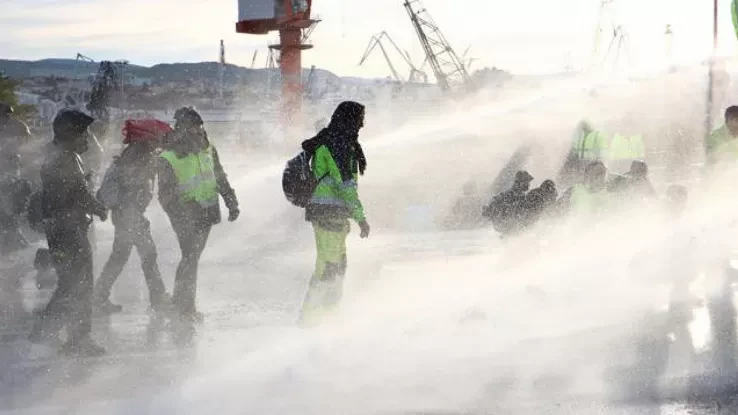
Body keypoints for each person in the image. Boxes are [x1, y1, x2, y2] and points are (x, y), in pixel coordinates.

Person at [29, 109, 108, 357]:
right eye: (83, 133)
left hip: (62, 230)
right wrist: (99, 208)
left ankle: (49, 331)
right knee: (80, 285)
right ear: (69, 134)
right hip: (69, 231)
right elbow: (79, 194)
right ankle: (77, 339)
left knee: (70, 284)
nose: (87, 139)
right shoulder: (65, 159)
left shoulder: (61, 156)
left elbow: (71, 189)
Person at [158, 107, 239, 323]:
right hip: (185, 216)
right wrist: (182, 213)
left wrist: (231, 201)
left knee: (191, 258)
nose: (199, 131)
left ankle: (181, 303)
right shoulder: (168, 156)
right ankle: (185, 308)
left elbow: (219, 176)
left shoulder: (208, 148)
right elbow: (165, 195)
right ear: (181, 128)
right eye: (193, 127)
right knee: (190, 257)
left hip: (207, 211)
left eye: (200, 126)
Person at [299, 101, 371, 325]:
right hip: (327, 214)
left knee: (338, 267)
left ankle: (329, 320)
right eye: (360, 119)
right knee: (328, 269)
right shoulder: (337, 145)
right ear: (350, 119)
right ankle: (308, 322)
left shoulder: (341, 142)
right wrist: (361, 218)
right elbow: (345, 186)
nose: (362, 124)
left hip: (334, 215)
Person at [93, 119, 173, 315]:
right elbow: (132, 183)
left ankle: (99, 297)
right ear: (148, 138)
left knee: (120, 257)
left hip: (126, 213)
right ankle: (158, 299)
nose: (160, 141)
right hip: (129, 214)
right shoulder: (139, 155)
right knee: (148, 255)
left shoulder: (137, 153)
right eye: (157, 138)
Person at [482, 170, 533, 237]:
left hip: (509, 229)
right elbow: (516, 214)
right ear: (521, 183)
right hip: (511, 230)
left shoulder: (511, 194)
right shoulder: (515, 195)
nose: (529, 185)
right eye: (527, 182)